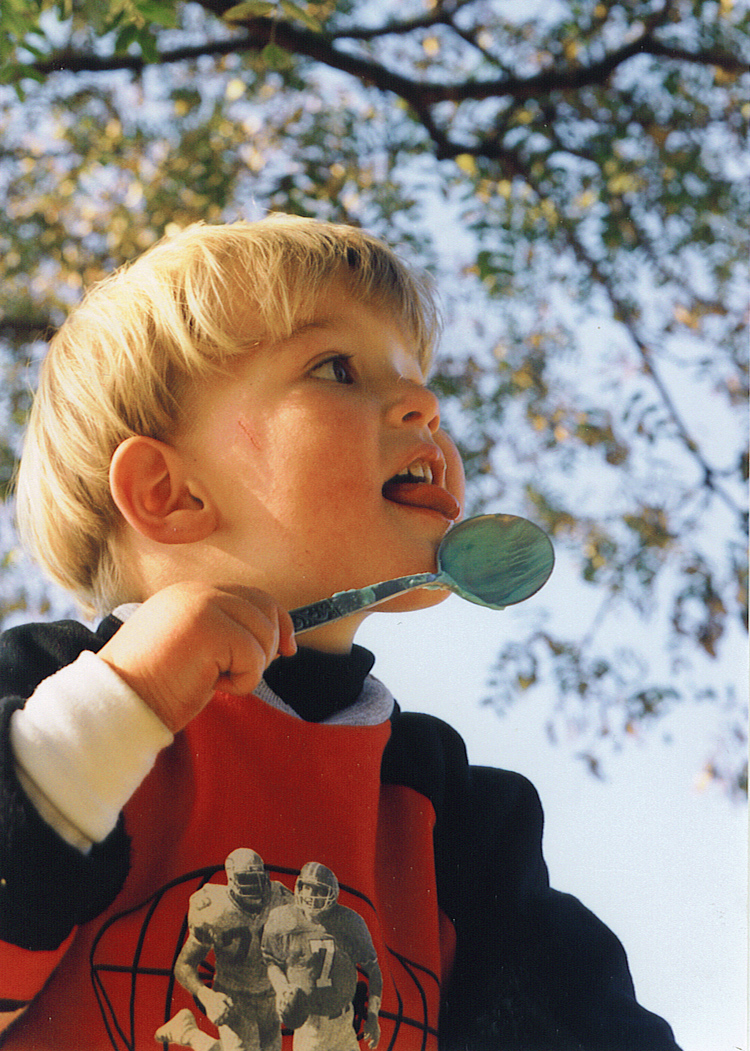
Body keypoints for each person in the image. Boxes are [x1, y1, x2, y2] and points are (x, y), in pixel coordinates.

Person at [0, 215, 682, 1050]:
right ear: (170, 493)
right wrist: (121, 703)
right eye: (337, 369)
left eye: (420, 379)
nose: (427, 405)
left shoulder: (457, 817)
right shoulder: (39, 698)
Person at [154, 848, 292, 1051]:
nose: (254, 887)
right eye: (247, 879)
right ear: (232, 881)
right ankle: (189, 1034)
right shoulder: (214, 909)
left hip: (269, 996)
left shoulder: (281, 898)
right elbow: (184, 964)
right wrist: (206, 995)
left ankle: (188, 1032)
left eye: (257, 879)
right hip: (234, 997)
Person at [262, 862, 382, 1050]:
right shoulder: (283, 918)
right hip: (311, 1028)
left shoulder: (350, 921)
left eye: (318, 890)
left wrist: (373, 1016)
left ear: (331, 894)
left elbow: (373, 970)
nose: (310, 896)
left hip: (344, 1022)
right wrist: (282, 988)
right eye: (306, 888)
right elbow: (272, 962)